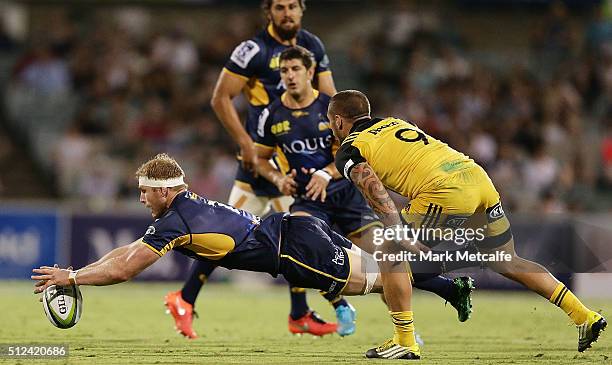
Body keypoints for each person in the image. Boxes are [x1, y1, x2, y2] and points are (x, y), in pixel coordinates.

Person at [31, 153, 421, 360]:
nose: (141, 197)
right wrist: (75, 272)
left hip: (294, 249)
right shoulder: (181, 208)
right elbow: (128, 251)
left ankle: (433, 301)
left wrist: (73, 279)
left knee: (378, 279)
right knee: (383, 273)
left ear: (165, 192)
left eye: (145, 191)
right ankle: (421, 314)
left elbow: (125, 269)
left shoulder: (176, 219)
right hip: (295, 232)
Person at [328, 90, 607, 357]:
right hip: (476, 177)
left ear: (338, 120)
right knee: (506, 260)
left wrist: (397, 231)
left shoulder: (350, 148)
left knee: (390, 251)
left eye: (331, 122)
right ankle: (584, 315)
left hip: (444, 190)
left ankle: (404, 341)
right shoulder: (395, 123)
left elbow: (374, 188)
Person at [254, 45, 474, 336]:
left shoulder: (332, 109)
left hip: (347, 197)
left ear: (310, 72)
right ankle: (338, 306)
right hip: (309, 201)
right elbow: (259, 158)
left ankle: (418, 321)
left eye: (296, 69)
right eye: (284, 70)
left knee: (389, 259)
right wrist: (279, 179)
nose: (290, 76)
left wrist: (325, 172)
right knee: (305, 252)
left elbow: (352, 156)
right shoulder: (271, 114)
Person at [166, 0, 340, 339]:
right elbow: (220, 97)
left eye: (292, 6)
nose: (286, 13)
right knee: (227, 235)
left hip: (295, 159)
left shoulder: (314, 45)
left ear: (302, 9)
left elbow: (331, 99)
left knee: (301, 234)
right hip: (261, 159)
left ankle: (299, 313)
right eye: (279, 7)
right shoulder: (253, 50)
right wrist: (246, 143)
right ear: (268, 12)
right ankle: (184, 298)